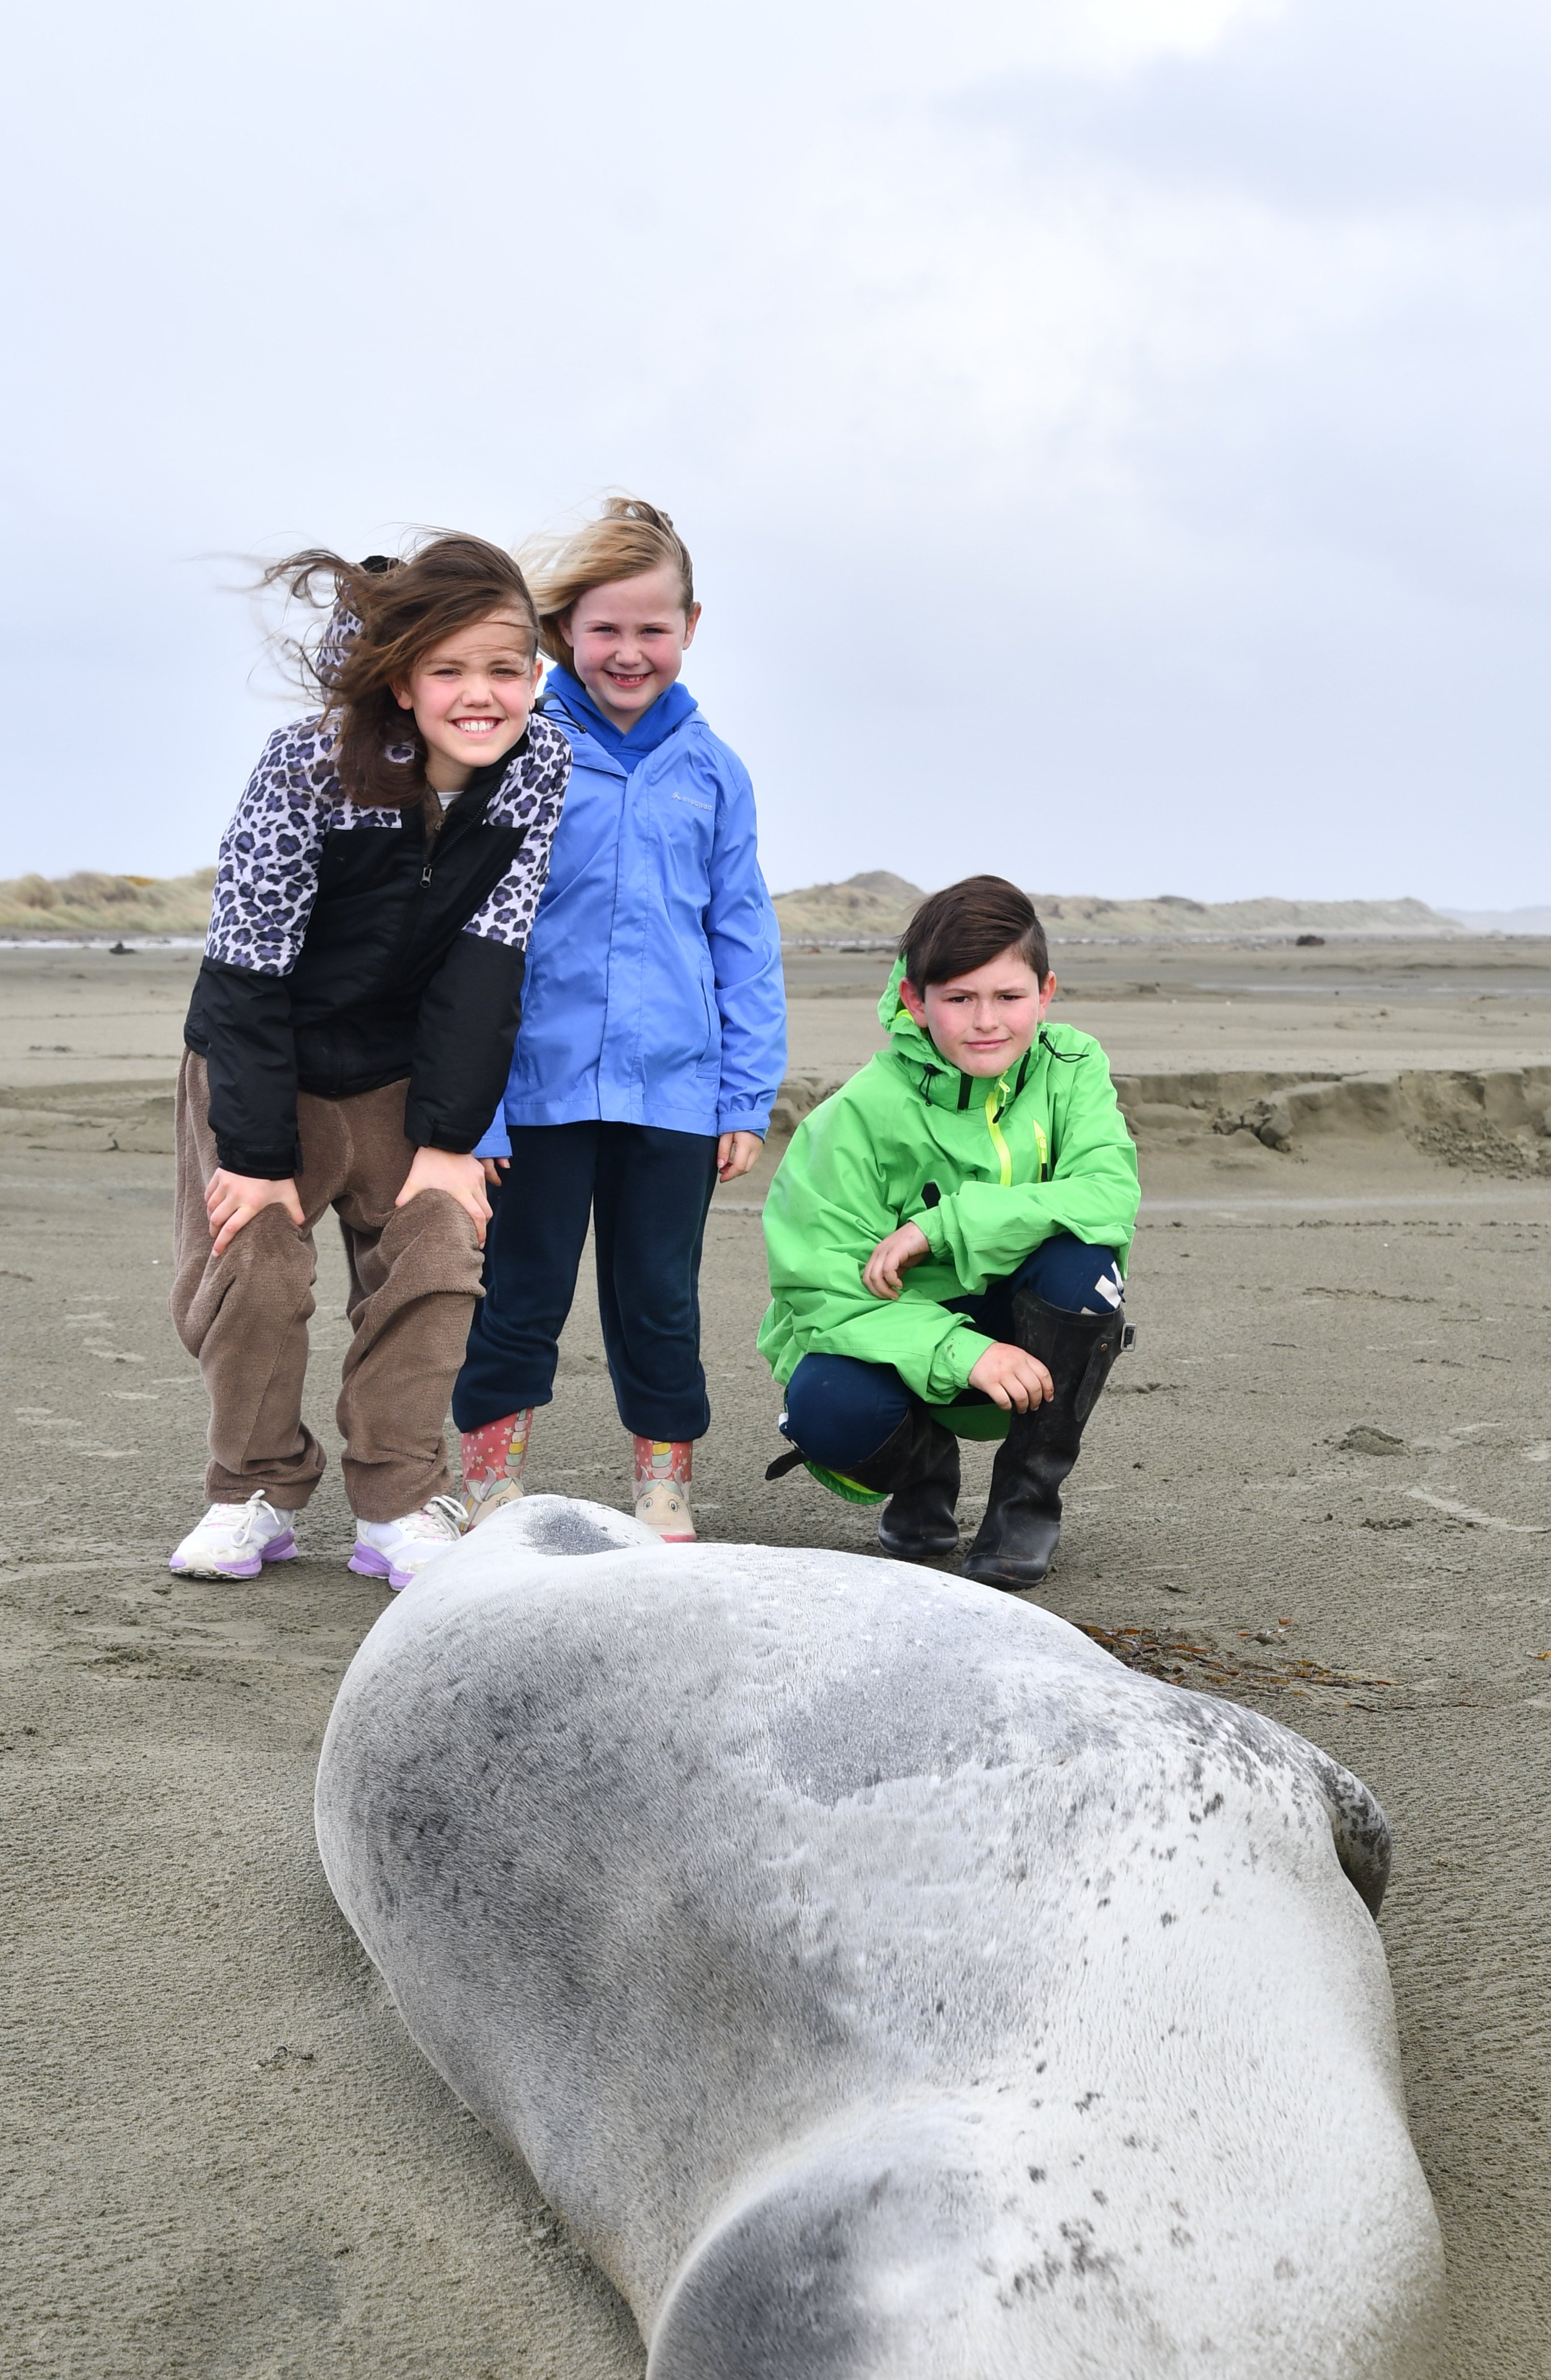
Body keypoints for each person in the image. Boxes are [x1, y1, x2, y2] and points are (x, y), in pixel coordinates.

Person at [168, 537, 570, 1587]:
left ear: (537, 672)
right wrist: (253, 1156)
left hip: (404, 1065)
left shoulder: (541, 763)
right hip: (267, 1058)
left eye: (505, 667)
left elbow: (489, 960)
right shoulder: (303, 766)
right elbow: (248, 972)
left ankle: (396, 1503)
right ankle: (249, 1490)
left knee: (443, 1243)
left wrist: (447, 1140)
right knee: (254, 1256)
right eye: (450, 669)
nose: (480, 695)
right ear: (403, 679)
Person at [452, 498, 786, 1541]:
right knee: (519, 1295)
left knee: (658, 1304)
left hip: (676, 1096)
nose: (629, 651)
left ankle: (664, 1492)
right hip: (532, 1094)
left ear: (692, 625)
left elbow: (742, 938)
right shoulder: (518, 753)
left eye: (653, 628)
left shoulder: (715, 771)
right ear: (562, 634)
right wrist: (471, 1106)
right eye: (605, 629)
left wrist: (743, 1095)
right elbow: (468, 936)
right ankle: (493, 1490)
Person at [758, 873, 1139, 1592]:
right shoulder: (854, 1117)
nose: (986, 1021)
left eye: (1008, 997)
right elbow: (819, 1284)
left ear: (1046, 993)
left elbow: (1108, 1193)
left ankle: (1023, 1505)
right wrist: (961, 1353)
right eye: (959, 999)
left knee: (1084, 1267)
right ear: (915, 999)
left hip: (1023, 1323)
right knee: (827, 1408)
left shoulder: (1072, 1068)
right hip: (902, 1337)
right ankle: (921, 1471)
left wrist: (941, 1228)